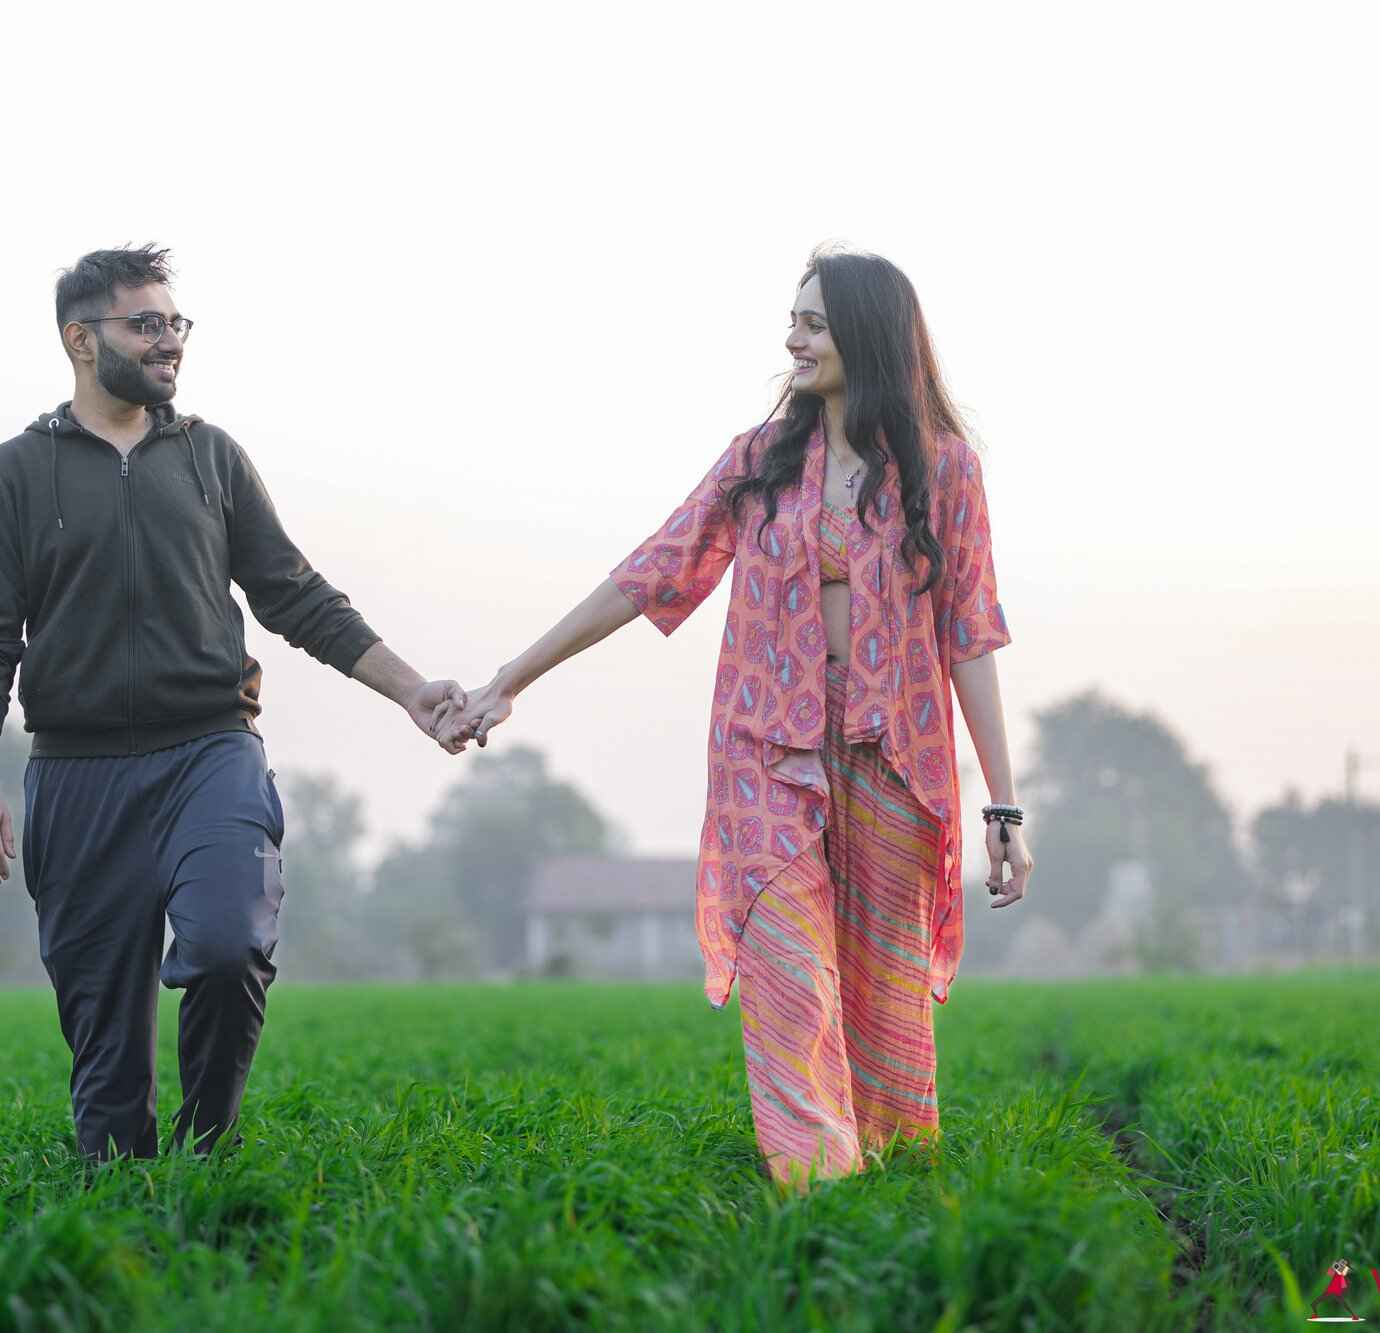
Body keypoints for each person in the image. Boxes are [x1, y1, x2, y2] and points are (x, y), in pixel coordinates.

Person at [443, 246, 1034, 1190]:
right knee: (791, 977)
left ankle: (884, 1190)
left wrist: (1002, 808)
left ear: (869, 336)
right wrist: (515, 675)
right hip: (768, 748)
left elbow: (971, 635)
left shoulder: (945, 471)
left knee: (881, 991)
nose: (792, 338)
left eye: (814, 322)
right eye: (793, 320)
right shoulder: (761, 461)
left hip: (892, 752)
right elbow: (649, 571)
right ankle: (817, 1191)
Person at [0, 245, 468, 1165]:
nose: (169, 343)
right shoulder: (16, 473)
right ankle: (128, 1220)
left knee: (230, 944)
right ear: (80, 338)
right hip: (77, 775)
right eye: (145, 323)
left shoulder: (210, 458)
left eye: (174, 324)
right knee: (107, 1071)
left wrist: (411, 690)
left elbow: (296, 595)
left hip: (210, 751)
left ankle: (209, 1154)